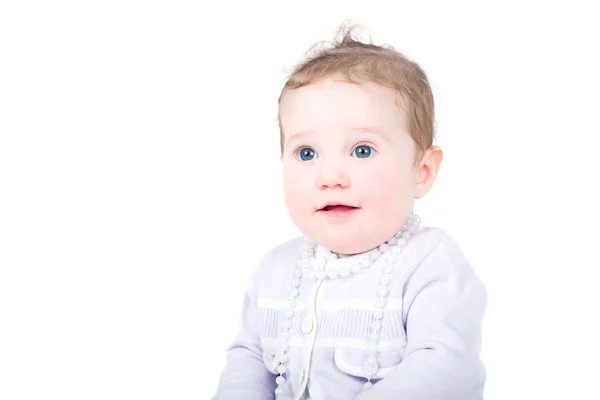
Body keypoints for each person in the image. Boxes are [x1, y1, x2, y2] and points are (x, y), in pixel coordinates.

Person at [211, 23, 487, 400]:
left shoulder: (430, 263)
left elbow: (444, 365)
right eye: (306, 153)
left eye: (362, 150)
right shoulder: (275, 270)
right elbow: (248, 360)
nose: (330, 176)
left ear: (421, 171)